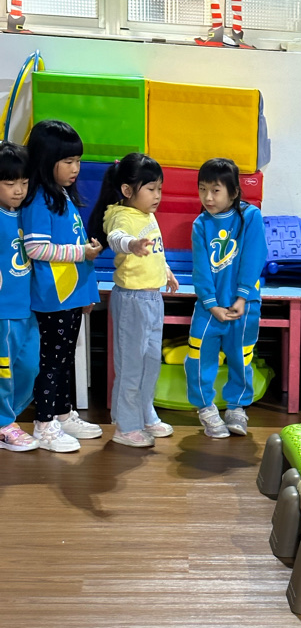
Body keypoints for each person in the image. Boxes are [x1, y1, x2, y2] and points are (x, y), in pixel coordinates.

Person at [21, 119, 103, 453]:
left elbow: (76, 243)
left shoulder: (62, 195)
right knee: (51, 362)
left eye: (78, 161)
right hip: (52, 296)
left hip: (71, 293)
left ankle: (63, 414)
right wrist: (81, 252)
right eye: (68, 161)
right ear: (46, 159)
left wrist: (88, 291)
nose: (75, 168)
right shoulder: (38, 198)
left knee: (65, 358)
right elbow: (36, 248)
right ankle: (44, 425)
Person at [88, 153, 178, 447]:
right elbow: (117, 238)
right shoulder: (120, 215)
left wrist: (166, 271)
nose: (157, 195)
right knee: (131, 365)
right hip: (132, 300)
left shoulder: (147, 214)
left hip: (153, 298)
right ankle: (126, 426)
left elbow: (156, 252)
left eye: (160, 189)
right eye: (151, 189)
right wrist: (132, 244)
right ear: (128, 190)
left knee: (151, 362)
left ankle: (145, 413)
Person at [185, 157, 267, 438]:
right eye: (202, 189)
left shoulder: (251, 216)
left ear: (233, 192)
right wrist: (211, 304)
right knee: (198, 357)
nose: (208, 197)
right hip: (209, 308)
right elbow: (200, 269)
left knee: (241, 357)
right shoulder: (200, 224)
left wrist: (242, 297)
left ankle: (236, 408)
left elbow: (254, 257)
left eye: (215, 190)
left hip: (244, 306)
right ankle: (206, 408)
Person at [0, 141, 38, 451]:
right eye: (10, 183)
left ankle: (7, 416)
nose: (18, 190)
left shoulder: (28, 214)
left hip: (29, 308)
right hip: (4, 311)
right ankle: (4, 424)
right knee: (4, 370)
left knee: (30, 366)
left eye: (24, 182)